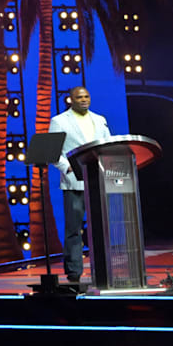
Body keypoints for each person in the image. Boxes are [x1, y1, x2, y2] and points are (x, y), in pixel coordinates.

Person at [48, 85, 111, 283]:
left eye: (86, 96)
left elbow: (108, 144)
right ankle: (74, 272)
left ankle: (103, 268)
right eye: (79, 97)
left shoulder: (99, 119)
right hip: (74, 181)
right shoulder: (59, 121)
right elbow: (52, 151)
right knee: (74, 229)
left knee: (101, 227)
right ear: (71, 100)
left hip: (97, 180)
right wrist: (66, 167)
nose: (84, 100)